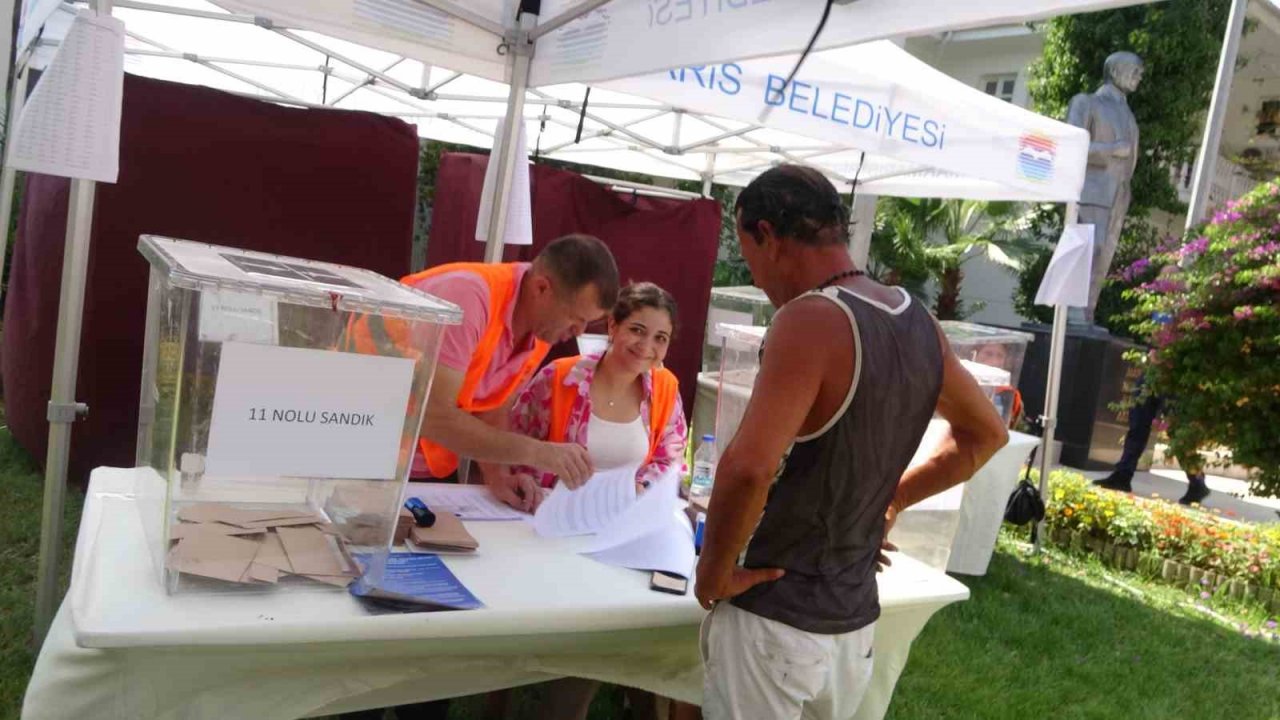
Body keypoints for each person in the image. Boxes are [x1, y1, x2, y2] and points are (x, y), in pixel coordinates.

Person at [694, 165, 1009, 720]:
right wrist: (895, 498)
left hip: (776, 620)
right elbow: (987, 434)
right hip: (853, 624)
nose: (759, 279)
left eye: (749, 255)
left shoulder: (809, 318)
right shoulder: (919, 322)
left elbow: (748, 469)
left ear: (767, 235)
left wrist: (714, 572)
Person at [337, 234, 618, 720]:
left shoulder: (537, 325)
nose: (575, 332)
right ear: (544, 288)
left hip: (413, 470)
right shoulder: (468, 299)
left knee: (424, 614)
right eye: (576, 317)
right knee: (367, 618)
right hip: (354, 450)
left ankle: (419, 705)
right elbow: (438, 417)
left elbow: (493, 403)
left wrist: (499, 474)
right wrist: (540, 454)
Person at [504, 281, 688, 720]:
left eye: (660, 338)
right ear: (612, 325)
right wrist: (525, 481)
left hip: (621, 536)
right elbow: (511, 441)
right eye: (637, 330)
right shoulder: (560, 378)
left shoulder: (664, 389)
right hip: (549, 531)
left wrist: (642, 492)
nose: (647, 346)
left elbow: (671, 457)